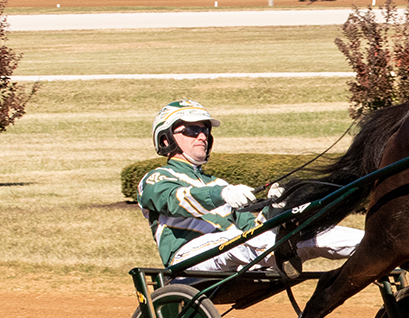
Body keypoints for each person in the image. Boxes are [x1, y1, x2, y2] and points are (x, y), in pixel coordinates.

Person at [137, 99, 363, 273]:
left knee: (316, 235)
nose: (202, 136)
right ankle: (279, 251)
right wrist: (222, 194)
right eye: (191, 130)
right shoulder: (155, 179)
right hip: (187, 258)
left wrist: (275, 208)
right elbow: (178, 201)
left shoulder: (217, 182)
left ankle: (379, 249)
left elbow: (251, 227)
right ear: (166, 140)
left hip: (233, 250)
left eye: (204, 130)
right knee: (247, 241)